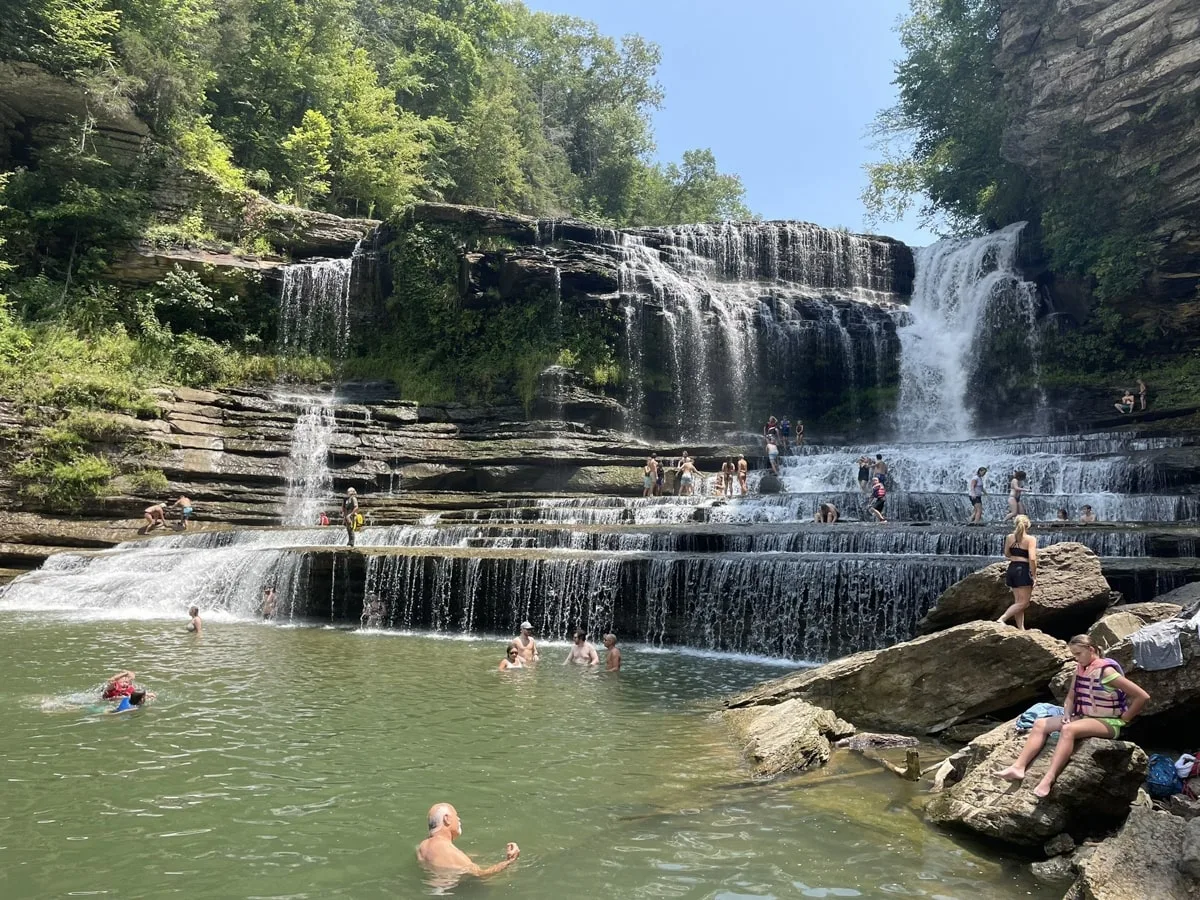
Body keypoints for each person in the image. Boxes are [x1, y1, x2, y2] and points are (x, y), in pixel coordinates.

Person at [997, 635, 1149, 797]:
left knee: (1069, 730)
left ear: (1091, 650)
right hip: (1083, 716)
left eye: (1078, 654)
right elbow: (1071, 696)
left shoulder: (1107, 671)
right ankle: (1018, 767)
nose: (1076, 658)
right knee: (1041, 724)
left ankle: (1049, 777)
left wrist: (1125, 719)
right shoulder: (1081, 669)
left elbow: (1142, 696)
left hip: (1108, 722)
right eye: (1074, 655)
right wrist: (1067, 713)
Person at [416, 803, 520, 880]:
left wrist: (469, 857)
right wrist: (509, 861)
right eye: (456, 815)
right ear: (447, 819)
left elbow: (446, 862)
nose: (459, 819)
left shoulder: (423, 845)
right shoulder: (449, 851)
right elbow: (482, 874)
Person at [996, 515, 1036, 630]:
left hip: (1012, 568)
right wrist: (1034, 575)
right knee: (1024, 603)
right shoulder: (1030, 539)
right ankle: (1002, 619)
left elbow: (1007, 554)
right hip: (1022, 570)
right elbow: (1032, 558)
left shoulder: (1009, 537)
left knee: (1018, 602)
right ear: (1027, 525)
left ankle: (1021, 628)